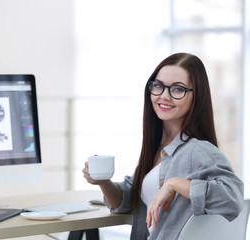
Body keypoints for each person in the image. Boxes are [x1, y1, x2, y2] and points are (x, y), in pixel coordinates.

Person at [82, 53, 244, 240]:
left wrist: (173, 184)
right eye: (158, 86)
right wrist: (103, 182)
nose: (164, 96)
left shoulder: (198, 151)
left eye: (177, 89)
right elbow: (127, 200)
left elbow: (233, 200)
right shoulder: (159, 148)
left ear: (196, 97)